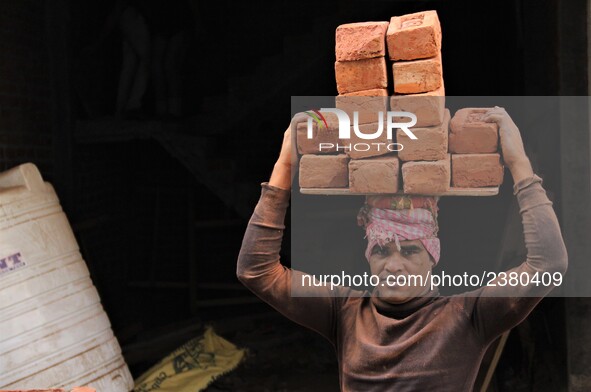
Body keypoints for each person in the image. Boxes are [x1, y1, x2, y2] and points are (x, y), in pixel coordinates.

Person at [236, 107, 568, 391]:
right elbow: (256, 270)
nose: (393, 265)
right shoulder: (345, 312)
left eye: (409, 251)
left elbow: (548, 265)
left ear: (433, 256)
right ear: (368, 256)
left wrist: (518, 163)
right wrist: (284, 165)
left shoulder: (468, 315)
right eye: (381, 251)